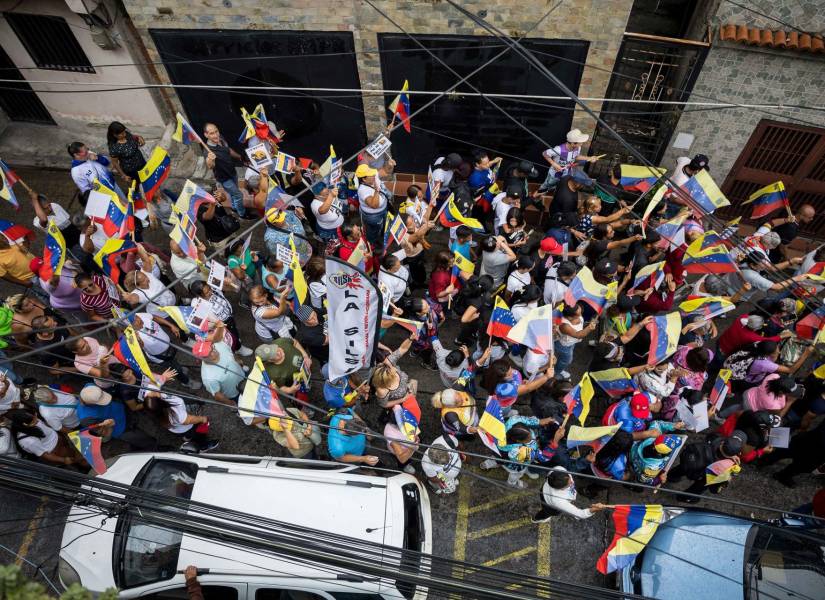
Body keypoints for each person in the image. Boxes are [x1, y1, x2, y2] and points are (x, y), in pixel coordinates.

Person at [143, 388, 217, 453]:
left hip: (177, 429)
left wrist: (163, 378)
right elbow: (190, 420)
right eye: (154, 393)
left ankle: (188, 438)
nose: (153, 391)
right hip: (188, 427)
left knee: (187, 434)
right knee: (199, 433)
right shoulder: (177, 414)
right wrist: (203, 419)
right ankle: (203, 446)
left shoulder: (153, 409)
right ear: (161, 402)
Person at [5, 408, 82, 466]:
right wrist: (63, 460)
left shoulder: (31, 418)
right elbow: (46, 455)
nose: (37, 420)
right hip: (56, 450)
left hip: (60, 440)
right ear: (25, 425)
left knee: (75, 453)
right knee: (78, 458)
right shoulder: (28, 441)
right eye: (34, 421)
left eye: (35, 416)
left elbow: (45, 425)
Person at [532, 467, 607, 522]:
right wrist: (594, 509)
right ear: (561, 489)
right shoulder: (558, 501)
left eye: (569, 478)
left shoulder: (559, 469)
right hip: (550, 505)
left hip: (545, 490)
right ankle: (536, 519)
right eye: (569, 484)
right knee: (547, 513)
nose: (572, 481)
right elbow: (580, 514)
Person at [193, 325, 246, 405]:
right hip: (235, 394)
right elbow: (217, 395)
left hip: (243, 377)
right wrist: (231, 403)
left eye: (212, 348)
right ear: (202, 359)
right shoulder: (208, 378)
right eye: (209, 354)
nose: (214, 351)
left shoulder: (219, 344)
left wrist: (239, 361)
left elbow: (231, 353)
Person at [204, 122, 247, 218]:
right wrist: (210, 159)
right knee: (238, 195)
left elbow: (228, 150)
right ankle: (242, 214)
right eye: (211, 133)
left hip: (232, 172)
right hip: (224, 178)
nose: (216, 135)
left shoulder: (220, 138)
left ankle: (234, 207)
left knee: (234, 194)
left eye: (216, 131)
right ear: (206, 135)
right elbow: (210, 166)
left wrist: (239, 157)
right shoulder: (208, 150)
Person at [538, 128, 600, 193]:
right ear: (573, 143)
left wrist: (589, 158)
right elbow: (544, 153)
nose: (581, 144)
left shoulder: (577, 147)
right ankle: (538, 196)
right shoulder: (558, 150)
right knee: (547, 185)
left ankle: (555, 191)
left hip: (568, 172)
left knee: (561, 185)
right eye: (580, 143)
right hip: (556, 174)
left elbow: (576, 157)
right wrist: (553, 163)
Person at [555, 303, 597, 380]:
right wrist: (589, 328)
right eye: (579, 314)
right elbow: (578, 335)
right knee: (566, 360)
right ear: (570, 317)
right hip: (564, 345)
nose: (581, 314)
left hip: (571, 343)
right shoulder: (564, 325)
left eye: (581, 311)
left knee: (568, 357)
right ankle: (557, 372)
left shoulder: (575, 313)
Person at [356, 163, 390, 254]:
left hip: (383, 211)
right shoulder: (363, 190)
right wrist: (376, 190)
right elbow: (374, 205)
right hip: (374, 216)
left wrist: (390, 164)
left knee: (383, 226)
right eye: (370, 174)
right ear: (364, 179)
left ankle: (381, 237)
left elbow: (385, 171)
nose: (373, 175)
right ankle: (372, 246)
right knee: (373, 232)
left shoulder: (373, 178)